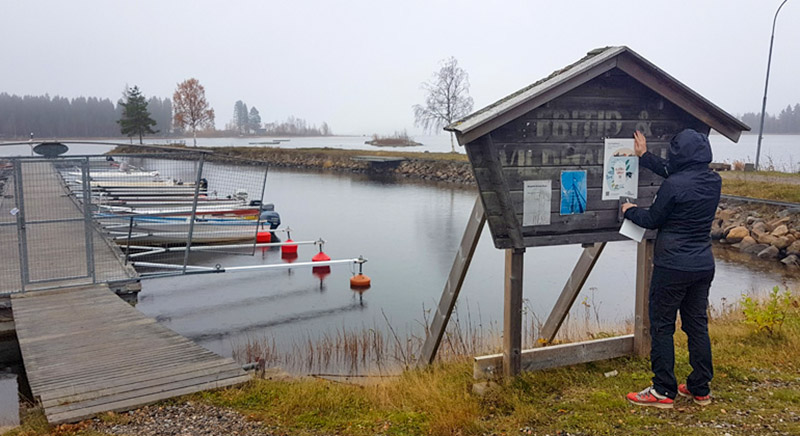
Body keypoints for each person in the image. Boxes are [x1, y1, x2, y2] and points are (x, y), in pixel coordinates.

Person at [622, 129, 721, 409]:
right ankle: (699, 388)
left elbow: (652, 219)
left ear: (678, 153)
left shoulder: (674, 185)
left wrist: (629, 210)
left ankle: (663, 390)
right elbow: (675, 173)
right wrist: (645, 156)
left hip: (672, 267)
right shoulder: (714, 181)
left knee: (663, 327)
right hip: (703, 264)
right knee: (696, 325)